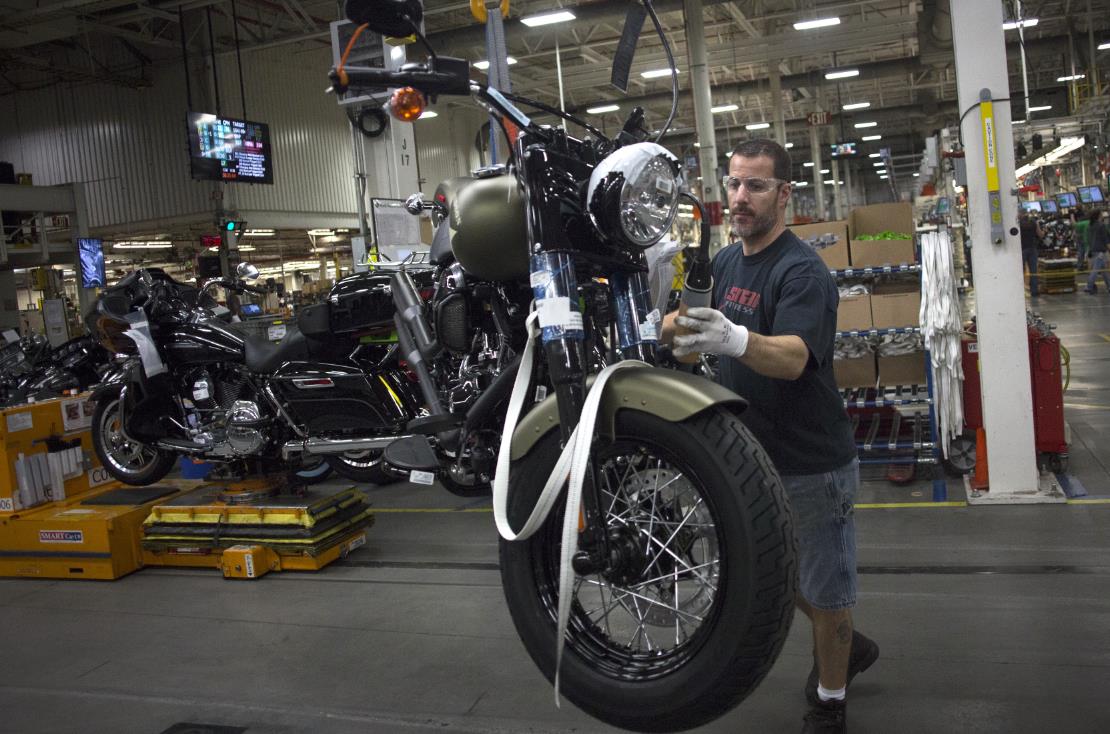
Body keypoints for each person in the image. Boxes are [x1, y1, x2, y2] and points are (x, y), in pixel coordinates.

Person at [661, 139, 878, 734]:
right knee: (772, 574)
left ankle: (830, 700)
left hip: (810, 462)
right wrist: (677, 328)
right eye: (733, 184)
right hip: (748, 460)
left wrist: (732, 339)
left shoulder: (801, 271)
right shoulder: (727, 264)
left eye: (755, 186)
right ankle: (849, 645)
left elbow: (791, 358)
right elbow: (682, 324)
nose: (739, 198)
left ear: (784, 193)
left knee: (826, 592)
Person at [1018, 211, 1043, 297]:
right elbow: (1040, 235)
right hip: (1032, 248)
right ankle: (1034, 291)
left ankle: (1020, 291)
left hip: (1022, 249)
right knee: (1033, 271)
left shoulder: (1018, 223)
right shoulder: (1034, 222)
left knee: (1020, 271)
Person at [1085, 210, 1110, 294]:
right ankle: (1089, 286)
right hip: (1100, 251)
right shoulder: (1101, 225)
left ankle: (1109, 286)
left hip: (1092, 250)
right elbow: (1105, 240)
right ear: (1099, 215)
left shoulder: (1089, 225)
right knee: (1095, 270)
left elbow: (1088, 239)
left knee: (1104, 270)